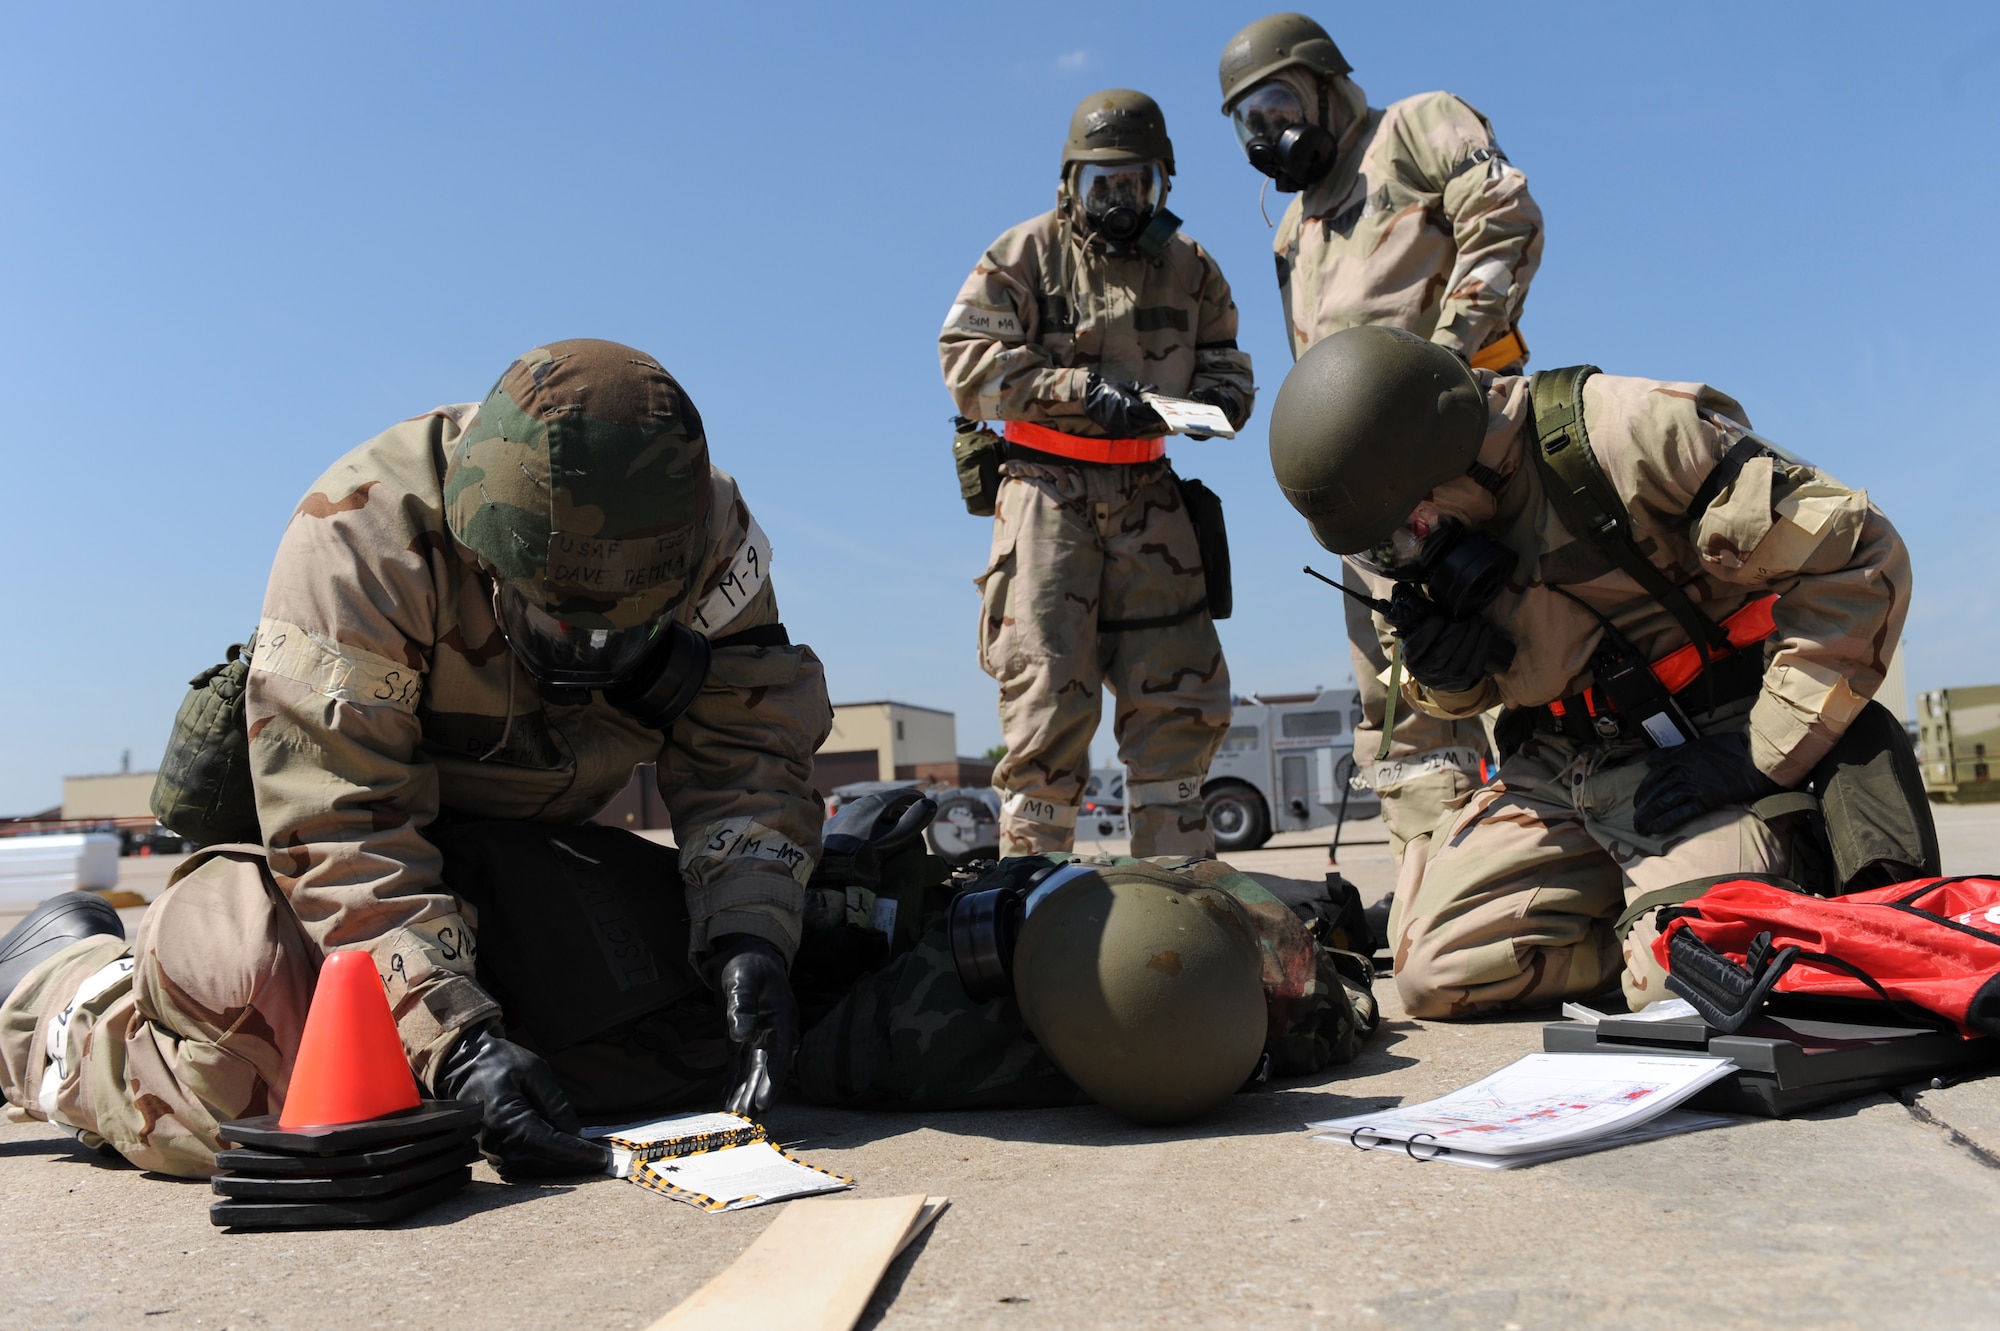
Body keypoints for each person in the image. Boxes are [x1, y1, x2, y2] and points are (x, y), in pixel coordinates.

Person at [0, 339, 832, 1177]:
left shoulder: (708, 540)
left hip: (517, 861)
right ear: (486, 552)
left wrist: (750, 935)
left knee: (670, 1044)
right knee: (283, 1094)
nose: (590, 654)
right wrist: (456, 1038)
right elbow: (340, 824)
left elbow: (750, 753)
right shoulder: (363, 536)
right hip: (318, 870)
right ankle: (60, 997)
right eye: (560, 625)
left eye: (628, 634)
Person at [1267, 325, 1911, 1016]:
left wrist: (1761, 756)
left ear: (1446, 457)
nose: (1396, 557)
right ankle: (1648, 917)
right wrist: (1447, 675)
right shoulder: (1399, 525)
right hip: (1560, 767)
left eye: (1403, 532)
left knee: (1684, 986)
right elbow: (1457, 693)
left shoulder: (1624, 435)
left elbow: (1859, 555)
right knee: (1432, 975)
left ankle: (1787, 868)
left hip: (1701, 749)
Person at [1217, 13, 1545, 897]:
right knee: (1399, 703)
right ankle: (1438, 881)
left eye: (1276, 105)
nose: (1264, 134)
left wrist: (1445, 358)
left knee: (1536, 653)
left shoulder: (1413, 127)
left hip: (1473, 449)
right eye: (1244, 122)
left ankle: (1564, 851)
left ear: (1328, 85)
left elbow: (1504, 214)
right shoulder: (1291, 230)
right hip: (1375, 503)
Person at [939, 88, 1256, 858]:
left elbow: (1231, 373)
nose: (1118, 199)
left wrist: (1207, 407)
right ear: (1069, 184)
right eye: (1100, 183)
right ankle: (1032, 898)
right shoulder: (1021, 254)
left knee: (1176, 695)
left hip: (1152, 495)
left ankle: (1179, 893)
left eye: (1135, 183)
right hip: (1048, 496)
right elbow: (966, 365)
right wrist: (1076, 391)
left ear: (1161, 184)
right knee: (1045, 694)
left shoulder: (1192, 268)